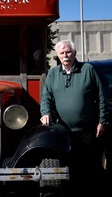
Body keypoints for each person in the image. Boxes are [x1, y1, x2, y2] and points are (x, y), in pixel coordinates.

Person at [40, 40, 109, 195]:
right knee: (67, 168)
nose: (66, 55)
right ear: (58, 55)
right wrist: (45, 113)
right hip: (63, 131)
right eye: (62, 53)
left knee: (89, 168)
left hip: (88, 130)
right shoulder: (53, 74)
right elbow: (46, 96)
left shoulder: (88, 70)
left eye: (68, 52)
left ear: (74, 53)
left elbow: (101, 96)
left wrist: (102, 121)